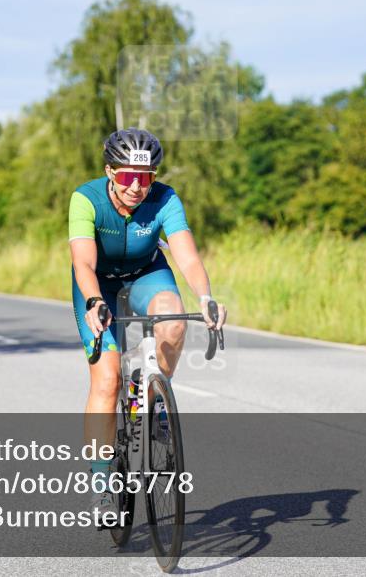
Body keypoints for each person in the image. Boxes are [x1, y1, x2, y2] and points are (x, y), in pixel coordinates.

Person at [69, 127, 227, 521]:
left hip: (146, 274)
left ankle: (153, 398)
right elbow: (83, 262)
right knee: (107, 381)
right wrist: (94, 301)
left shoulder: (165, 198)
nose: (137, 187)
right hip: (98, 284)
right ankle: (101, 487)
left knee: (173, 322)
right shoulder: (85, 198)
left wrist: (206, 297)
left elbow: (186, 256)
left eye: (146, 177)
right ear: (110, 171)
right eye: (127, 176)